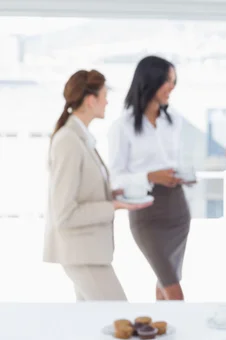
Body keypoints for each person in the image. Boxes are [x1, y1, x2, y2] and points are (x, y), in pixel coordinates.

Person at [43, 69, 152, 301]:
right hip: (81, 254)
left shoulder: (80, 138)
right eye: (104, 95)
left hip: (88, 253)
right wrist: (113, 206)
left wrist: (112, 195)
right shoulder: (68, 141)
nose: (107, 101)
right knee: (119, 319)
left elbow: (82, 191)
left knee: (91, 327)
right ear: (91, 100)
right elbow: (65, 213)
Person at [108, 56, 191, 301]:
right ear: (150, 81)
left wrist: (181, 175)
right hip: (146, 212)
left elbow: (175, 162)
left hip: (177, 209)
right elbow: (115, 178)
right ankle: (185, 332)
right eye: (168, 81)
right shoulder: (122, 127)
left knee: (164, 284)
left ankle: (165, 333)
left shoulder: (174, 121)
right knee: (172, 287)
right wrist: (149, 176)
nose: (172, 88)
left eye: (174, 81)